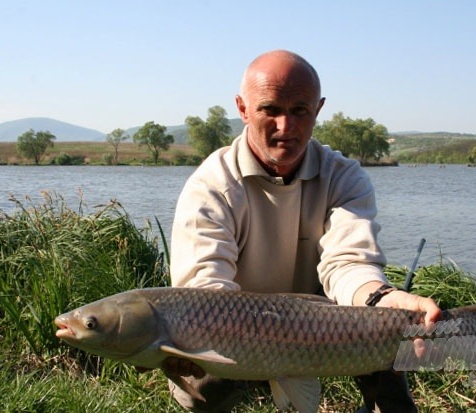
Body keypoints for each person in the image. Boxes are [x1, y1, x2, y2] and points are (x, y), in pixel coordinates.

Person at [169, 49, 442, 413]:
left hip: (323, 314)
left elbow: (349, 263)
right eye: (270, 109)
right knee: (201, 386)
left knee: (386, 336)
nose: (286, 126)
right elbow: (205, 292)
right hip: (236, 321)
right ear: (242, 108)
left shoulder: (344, 176)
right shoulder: (211, 185)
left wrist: (381, 299)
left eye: (300, 110)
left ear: (318, 108)